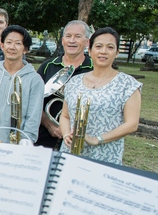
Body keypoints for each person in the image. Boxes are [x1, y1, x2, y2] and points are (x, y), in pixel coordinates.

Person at [59, 27, 141, 165]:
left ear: (117, 53)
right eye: (98, 46)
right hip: (70, 153)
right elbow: (65, 116)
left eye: (110, 47)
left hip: (105, 155)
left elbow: (132, 124)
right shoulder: (74, 81)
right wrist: (66, 134)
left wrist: (97, 139)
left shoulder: (128, 84)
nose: (103, 51)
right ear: (90, 51)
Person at [0, 25, 44, 143]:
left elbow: (33, 117)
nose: (12, 47)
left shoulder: (35, 80)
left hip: (16, 144)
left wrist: (26, 141)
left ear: (25, 49)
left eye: (18, 43)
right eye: (9, 42)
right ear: (2, 46)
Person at [36, 20, 93, 149]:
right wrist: (50, 125)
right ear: (62, 40)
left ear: (87, 42)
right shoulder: (47, 66)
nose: (72, 40)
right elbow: (34, 101)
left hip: (80, 139)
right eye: (68, 36)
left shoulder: (93, 69)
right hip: (45, 136)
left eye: (78, 36)